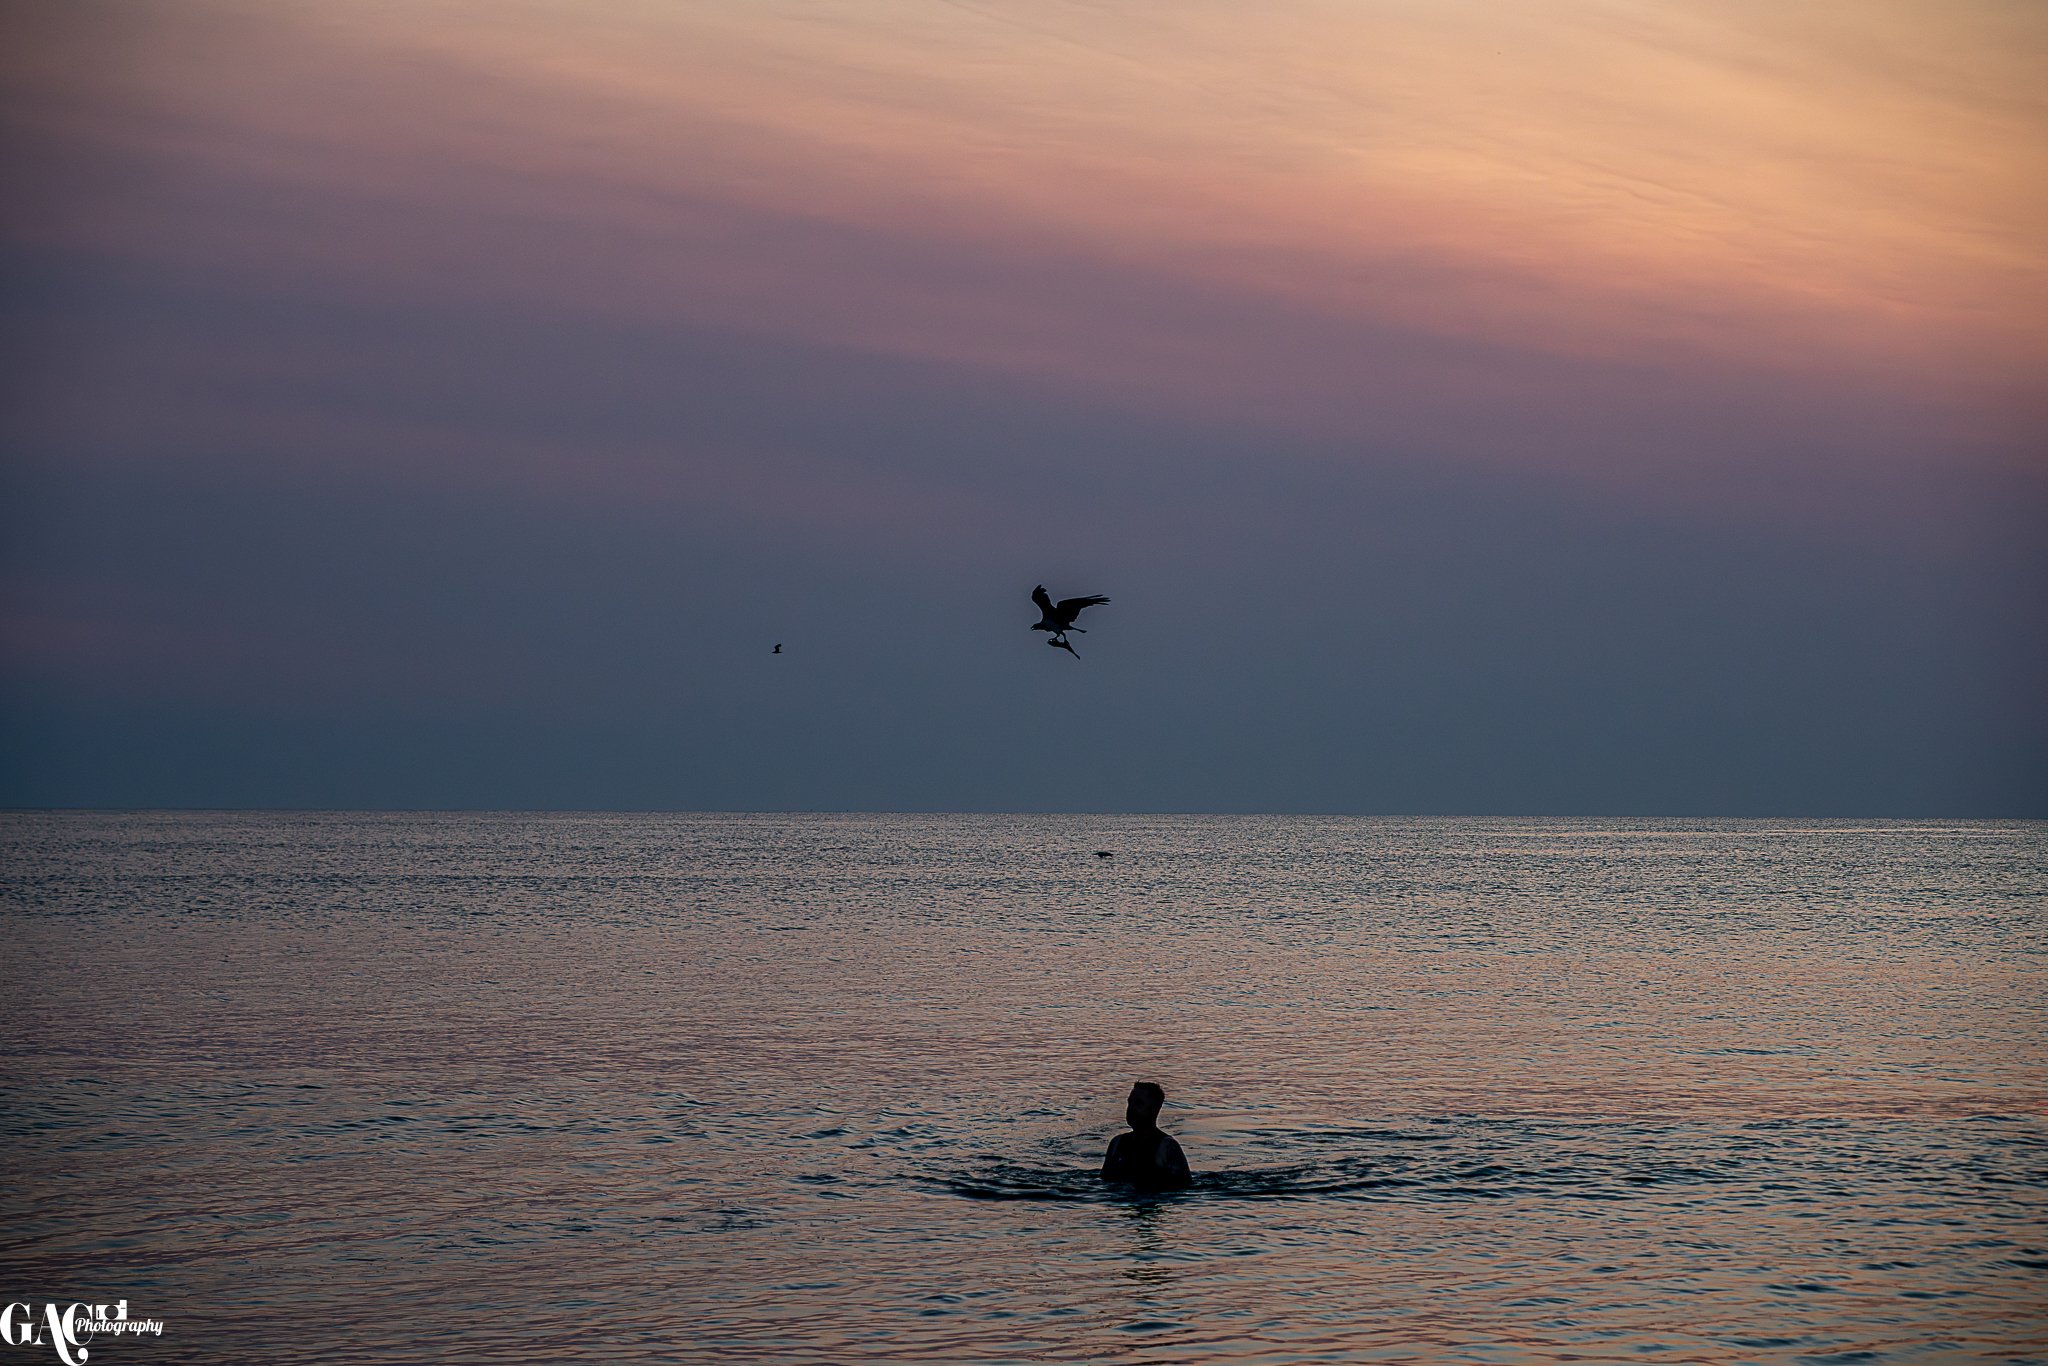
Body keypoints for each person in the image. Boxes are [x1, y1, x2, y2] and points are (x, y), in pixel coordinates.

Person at [1101, 1082, 1192, 1190]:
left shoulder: (1167, 1146)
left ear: (1154, 1109)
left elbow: (1184, 1187)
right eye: (1130, 1102)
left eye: (1139, 1103)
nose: (1131, 1108)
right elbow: (1103, 1181)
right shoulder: (1117, 1142)